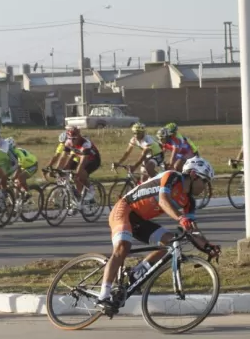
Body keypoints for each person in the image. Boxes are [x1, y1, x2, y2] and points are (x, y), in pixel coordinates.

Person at [97, 157, 220, 312]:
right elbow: (163, 200)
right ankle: (103, 296)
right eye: (205, 181)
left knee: (171, 242)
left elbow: (193, 230)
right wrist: (180, 218)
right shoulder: (172, 177)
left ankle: (137, 272)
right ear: (194, 175)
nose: (206, 187)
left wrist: (207, 246)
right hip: (124, 210)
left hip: (140, 220)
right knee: (123, 247)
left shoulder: (189, 201)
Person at [56, 126, 101, 200]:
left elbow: (82, 163)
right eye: (70, 138)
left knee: (78, 176)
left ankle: (88, 191)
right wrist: (58, 169)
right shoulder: (68, 142)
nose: (72, 141)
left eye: (74, 138)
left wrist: (77, 173)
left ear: (79, 136)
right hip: (80, 157)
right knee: (64, 169)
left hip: (92, 160)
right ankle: (75, 195)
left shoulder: (85, 144)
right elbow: (63, 157)